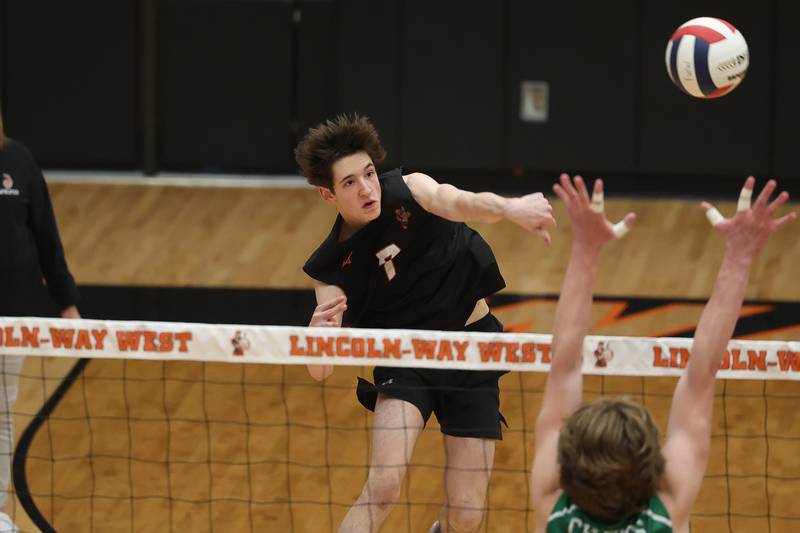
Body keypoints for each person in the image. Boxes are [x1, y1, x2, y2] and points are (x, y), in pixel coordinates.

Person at [296, 114, 556, 533]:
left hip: (471, 349)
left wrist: (510, 208)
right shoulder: (330, 269)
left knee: (467, 515)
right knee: (383, 486)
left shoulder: (411, 190)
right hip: (406, 358)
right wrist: (317, 338)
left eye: (368, 174)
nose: (366, 188)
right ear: (328, 195)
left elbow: (459, 201)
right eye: (349, 183)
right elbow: (320, 370)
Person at [530, 174, 795, 532]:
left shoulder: (553, 510)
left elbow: (564, 368)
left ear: (567, 463)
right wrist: (741, 255)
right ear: (652, 468)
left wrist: (585, 248)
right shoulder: (665, 514)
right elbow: (702, 373)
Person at [0, 111, 81, 532]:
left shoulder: (18, 160)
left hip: (11, 314)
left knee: (2, 411)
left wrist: (66, 299)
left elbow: (45, 232)